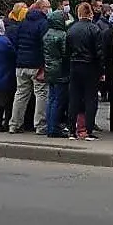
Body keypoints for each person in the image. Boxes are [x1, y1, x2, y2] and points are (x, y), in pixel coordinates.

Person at [8, 1, 49, 135]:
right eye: (47, 7)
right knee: (41, 94)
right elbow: (45, 44)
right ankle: (40, 125)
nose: (49, 10)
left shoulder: (23, 22)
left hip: (21, 64)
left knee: (20, 94)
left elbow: (15, 41)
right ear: (41, 8)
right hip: (36, 64)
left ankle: (14, 124)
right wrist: (44, 63)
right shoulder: (43, 23)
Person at [66, 2, 103, 140]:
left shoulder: (71, 29)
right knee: (90, 99)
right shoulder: (94, 29)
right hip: (90, 66)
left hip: (74, 65)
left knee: (74, 99)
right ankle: (88, 130)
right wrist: (101, 70)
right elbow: (99, 52)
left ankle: (71, 130)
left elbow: (67, 50)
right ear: (90, 13)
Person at [43, 10, 70, 138]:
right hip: (61, 70)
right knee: (58, 101)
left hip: (49, 69)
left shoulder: (47, 34)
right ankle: (54, 128)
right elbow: (66, 53)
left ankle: (49, 126)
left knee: (51, 99)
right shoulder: (62, 35)